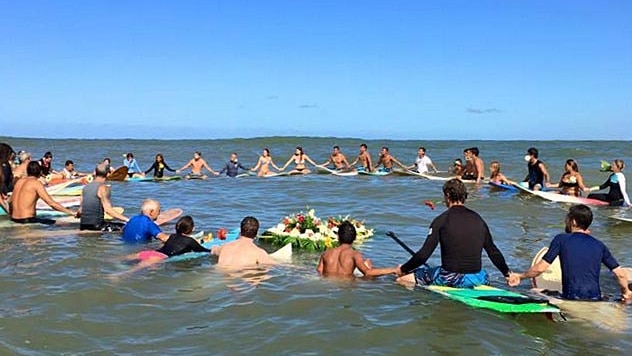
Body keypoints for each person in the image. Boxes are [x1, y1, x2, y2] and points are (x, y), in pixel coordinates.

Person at [394, 179, 512, 288]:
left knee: (402, 280)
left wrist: (403, 269)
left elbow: (423, 255)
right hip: (478, 278)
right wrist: (507, 274)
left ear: (448, 196)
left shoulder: (441, 220)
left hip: (450, 278)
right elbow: (493, 251)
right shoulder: (478, 219)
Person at [508, 204, 632, 302]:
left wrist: (520, 276)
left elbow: (540, 269)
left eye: (567, 219)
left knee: (534, 291)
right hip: (595, 299)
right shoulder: (600, 245)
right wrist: (626, 292)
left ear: (573, 221)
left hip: (571, 298)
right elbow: (620, 274)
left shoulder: (561, 239)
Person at [119, 216, 210, 275]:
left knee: (124, 258)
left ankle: (111, 261)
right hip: (159, 257)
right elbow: (203, 250)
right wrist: (213, 249)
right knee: (132, 270)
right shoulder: (190, 241)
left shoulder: (172, 236)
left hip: (151, 252)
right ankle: (118, 275)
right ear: (192, 228)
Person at [317, 220, 397, 278]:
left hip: (329, 286)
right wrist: (393, 270)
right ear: (355, 238)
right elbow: (367, 272)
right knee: (369, 273)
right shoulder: (354, 254)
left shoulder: (326, 253)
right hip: (346, 288)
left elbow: (319, 272)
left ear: (338, 236)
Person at [10, 161, 79, 224]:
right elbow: (51, 203)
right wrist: (72, 213)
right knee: (63, 224)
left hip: (14, 219)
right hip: (27, 220)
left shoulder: (19, 182)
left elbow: (10, 201)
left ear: (28, 171)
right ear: (40, 172)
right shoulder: (36, 183)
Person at [79, 163, 129, 231]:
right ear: (108, 174)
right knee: (126, 227)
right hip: (97, 226)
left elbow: (80, 211)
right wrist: (127, 219)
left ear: (96, 173)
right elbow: (108, 210)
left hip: (83, 226)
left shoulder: (85, 187)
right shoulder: (104, 188)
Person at [211, 216, 276, 267]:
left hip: (218, 272)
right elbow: (275, 266)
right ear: (256, 234)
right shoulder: (258, 252)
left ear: (240, 231)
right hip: (239, 279)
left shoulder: (225, 247)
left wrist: (215, 247)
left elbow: (213, 250)